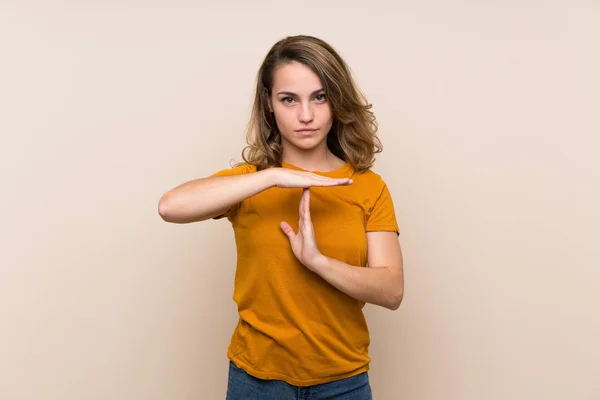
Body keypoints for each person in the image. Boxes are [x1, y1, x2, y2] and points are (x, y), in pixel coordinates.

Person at [158, 34, 404, 400]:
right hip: (255, 381)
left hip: (343, 382)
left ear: (336, 101)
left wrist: (318, 262)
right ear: (269, 104)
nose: (306, 115)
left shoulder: (368, 187)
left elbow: (391, 290)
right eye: (289, 99)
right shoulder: (251, 182)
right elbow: (170, 207)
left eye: (319, 97)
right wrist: (273, 175)